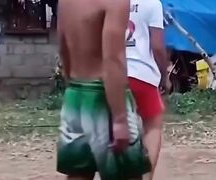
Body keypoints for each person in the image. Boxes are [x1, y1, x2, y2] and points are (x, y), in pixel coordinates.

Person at [56, 0, 151, 180]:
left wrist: (72, 84)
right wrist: (120, 119)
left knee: (78, 173)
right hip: (104, 97)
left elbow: (63, 46)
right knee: (127, 174)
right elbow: (113, 59)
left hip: (76, 92)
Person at [126, 0, 170, 179]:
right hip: (142, 74)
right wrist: (164, 76)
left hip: (114, 74)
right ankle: (146, 176)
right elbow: (157, 46)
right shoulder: (152, 3)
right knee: (153, 127)